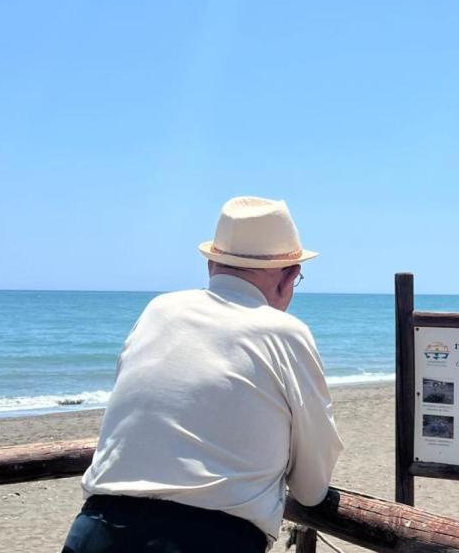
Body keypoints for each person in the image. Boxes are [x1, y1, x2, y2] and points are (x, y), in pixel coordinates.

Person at [61, 196, 344, 552]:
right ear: (288, 277)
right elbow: (312, 487)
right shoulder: (285, 332)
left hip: (97, 529)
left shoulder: (158, 311)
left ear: (212, 264)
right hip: (209, 539)